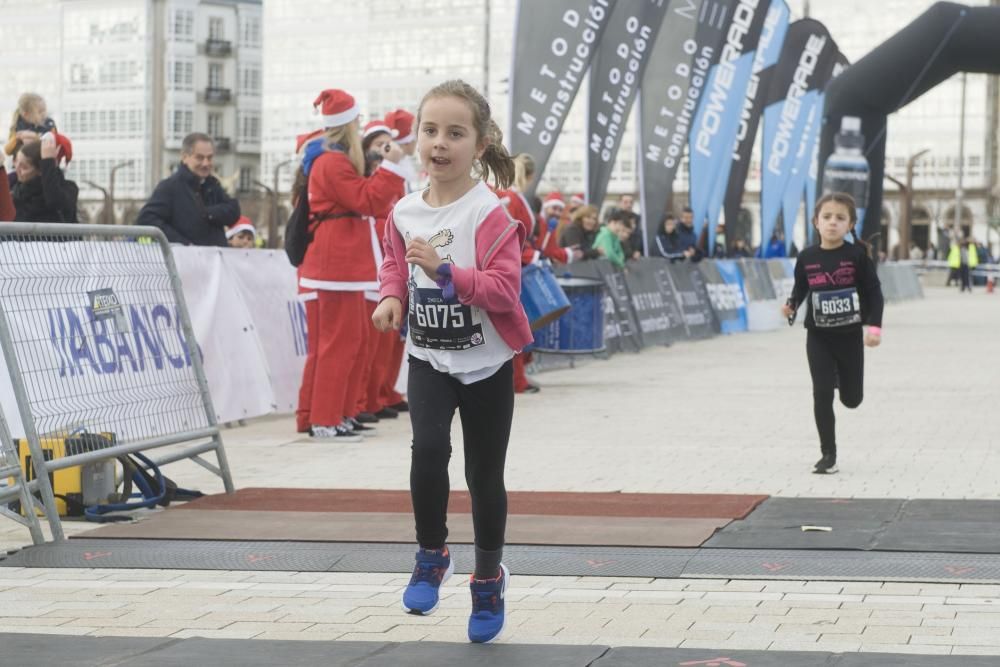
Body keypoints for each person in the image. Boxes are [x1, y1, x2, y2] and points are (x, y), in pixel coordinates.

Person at [372, 79, 532, 644]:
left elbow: (504, 291)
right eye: (430, 130)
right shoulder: (405, 210)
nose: (439, 143)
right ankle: (430, 553)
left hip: (487, 364)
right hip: (429, 358)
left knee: (483, 475)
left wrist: (446, 272)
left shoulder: (489, 214)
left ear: (481, 142)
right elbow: (395, 261)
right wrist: (392, 296)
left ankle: (487, 578)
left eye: (455, 133)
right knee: (429, 449)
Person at [297, 88, 406, 441]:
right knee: (338, 345)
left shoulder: (335, 160)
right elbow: (367, 200)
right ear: (348, 124)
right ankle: (325, 417)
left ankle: (337, 413)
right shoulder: (331, 162)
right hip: (335, 265)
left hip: (345, 264)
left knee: (352, 342)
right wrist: (391, 167)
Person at [782, 192, 884, 475]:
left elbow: (875, 295)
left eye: (840, 218)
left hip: (849, 337)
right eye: (827, 217)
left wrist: (874, 327)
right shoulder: (806, 257)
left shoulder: (857, 257)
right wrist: (791, 306)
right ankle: (828, 454)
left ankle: (841, 377)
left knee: (852, 400)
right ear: (816, 222)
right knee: (822, 393)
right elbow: (801, 289)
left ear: (851, 224)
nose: (832, 223)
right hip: (818, 336)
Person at [357, 119, 406, 422]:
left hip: (390, 260)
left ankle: (380, 394)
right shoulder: (366, 177)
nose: (384, 149)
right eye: (378, 144)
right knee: (369, 342)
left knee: (388, 340)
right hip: (370, 263)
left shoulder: (394, 176)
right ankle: (364, 400)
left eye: (388, 143)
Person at [136, 133, 240, 246]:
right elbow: (147, 219)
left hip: (214, 259)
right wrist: (183, 244)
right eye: (199, 157)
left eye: (209, 158)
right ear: (185, 157)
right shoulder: (170, 187)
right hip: (184, 259)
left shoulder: (212, 185)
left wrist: (209, 213)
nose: (206, 163)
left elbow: (233, 211)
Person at [10, 138, 78, 223]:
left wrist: (48, 162)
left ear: (41, 171)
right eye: (16, 162)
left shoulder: (68, 188)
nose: (17, 169)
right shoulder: (15, 189)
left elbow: (55, 202)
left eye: (24, 167)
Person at [6, 92, 72, 165]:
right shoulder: (17, 126)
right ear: (26, 115)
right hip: (23, 167)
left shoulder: (49, 125)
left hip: (42, 165)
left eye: (44, 110)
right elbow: (8, 151)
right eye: (40, 112)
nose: (44, 114)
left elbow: (54, 147)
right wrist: (17, 138)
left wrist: (37, 138)